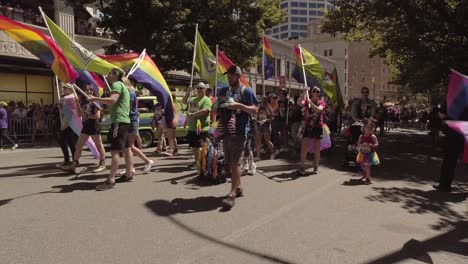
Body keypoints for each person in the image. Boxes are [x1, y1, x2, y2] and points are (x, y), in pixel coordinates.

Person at [88, 68, 133, 191]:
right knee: (127, 149)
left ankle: (111, 179)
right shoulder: (123, 86)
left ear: (115, 75)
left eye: (110, 73)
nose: (107, 75)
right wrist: (107, 111)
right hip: (124, 121)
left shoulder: (117, 84)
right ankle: (128, 174)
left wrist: (95, 99)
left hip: (119, 122)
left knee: (115, 151)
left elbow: (113, 100)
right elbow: (119, 105)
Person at [221, 65, 258, 208]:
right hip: (227, 130)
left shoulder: (246, 91)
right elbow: (221, 106)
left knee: (236, 163)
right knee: (230, 163)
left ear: (238, 76)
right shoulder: (226, 91)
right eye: (227, 75)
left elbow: (255, 110)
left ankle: (231, 194)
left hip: (240, 131)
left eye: (231, 75)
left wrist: (238, 105)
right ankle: (239, 188)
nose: (228, 77)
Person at [63, 84, 106, 172]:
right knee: (79, 145)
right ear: (84, 91)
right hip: (85, 126)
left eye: (91, 90)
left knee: (98, 145)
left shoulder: (95, 101)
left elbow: (97, 116)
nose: (89, 91)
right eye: (87, 90)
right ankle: (74, 163)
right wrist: (77, 104)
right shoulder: (82, 101)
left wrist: (87, 115)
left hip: (94, 125)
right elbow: (79, 115)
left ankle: (102, 163)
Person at [119, 77, 153, 174]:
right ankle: (132, 167)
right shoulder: (128, 94)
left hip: (131, 121)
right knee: (130, 147)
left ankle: (146, 162)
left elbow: (127, 109)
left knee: (128, 147)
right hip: (130, 121)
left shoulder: (130, 94)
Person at [433, 106, 468, 192]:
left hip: (454, 134)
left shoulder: (453, 99)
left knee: (449, 160)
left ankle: (445, 185)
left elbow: (441, 115)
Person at [296, 86, 326, 176]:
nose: (317, 93)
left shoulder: (321, 102)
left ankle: (316, 166)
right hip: (308, 127)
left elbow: (319, 109)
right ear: (312, 92)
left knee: (317, 149)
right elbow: (299, 103)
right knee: (304, 148)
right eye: (315, 91)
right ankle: (302, 167)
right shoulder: (307, 100)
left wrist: (311, 104)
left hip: (317, 127)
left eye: (318, 91)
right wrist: (304, 93)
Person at [182, 82, 212, 169]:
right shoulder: (193, 99)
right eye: (198, 88)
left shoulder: (207, 100)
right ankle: (196, 162)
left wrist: (193, 114)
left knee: (202, 147)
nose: (199, 90)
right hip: (192, 127)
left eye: (201, 88)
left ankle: (204, 163)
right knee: (194, 147)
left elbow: (205, 110)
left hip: (201, 128)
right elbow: (184, 101)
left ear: (204, 90)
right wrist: (188, 93)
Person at [56, 84, 79, 168]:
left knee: (71, 143)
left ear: (70, 89)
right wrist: (61, 107)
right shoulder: (65, 98)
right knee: (62, 142)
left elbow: (73, 111)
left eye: (65, 88)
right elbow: (64, 111)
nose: (64, 90)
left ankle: (75, 161)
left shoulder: (72, 97)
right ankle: (67, 160)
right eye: (63, 88)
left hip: (71, 123)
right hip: (65, 122)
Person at [356, 119, 380, 185]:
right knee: (362, 165)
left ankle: (368, 179)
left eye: (370, 128)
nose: (368, 129)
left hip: (369, 153)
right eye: (367, 127)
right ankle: (366, 173)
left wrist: (371, 145)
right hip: (362, 153)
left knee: (367, 166)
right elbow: (358, 144)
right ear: (363, 128)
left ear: (372, 129)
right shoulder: (361, 136)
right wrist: (362, 144)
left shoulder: (373, 136)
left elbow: (377, 144)